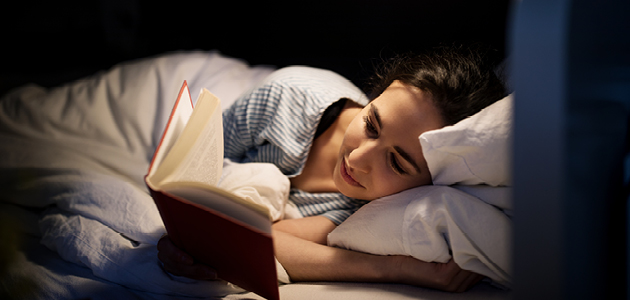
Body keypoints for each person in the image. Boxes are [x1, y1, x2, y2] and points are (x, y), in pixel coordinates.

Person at [157, 45, 507, 292]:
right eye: (371, 124)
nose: (356, 160)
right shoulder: (288, 96)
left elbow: (259, 241)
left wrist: (401, 269)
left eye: (396, 162)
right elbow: (194, 158)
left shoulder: (374, 210)